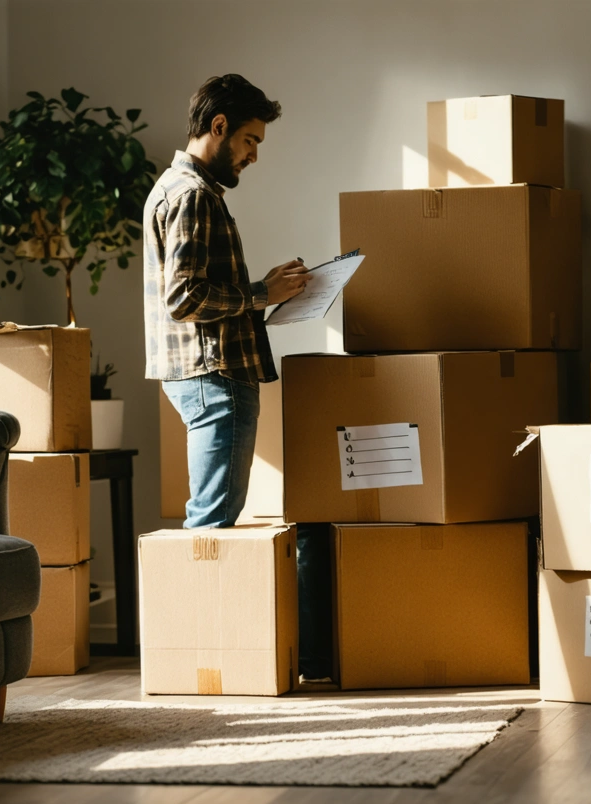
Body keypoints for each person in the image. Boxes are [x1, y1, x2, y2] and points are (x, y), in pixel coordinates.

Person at [142, 74, 332, 681]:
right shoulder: (193, 195)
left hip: (205, 371)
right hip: (215, 375)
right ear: (218, 126)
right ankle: (200, 663)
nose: (253, 156)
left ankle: (204, 661)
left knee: (212, 518)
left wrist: (267, 290)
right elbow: (184, 298)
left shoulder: (175, 188)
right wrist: (260, 294)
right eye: (250, 140)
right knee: (212, 525)